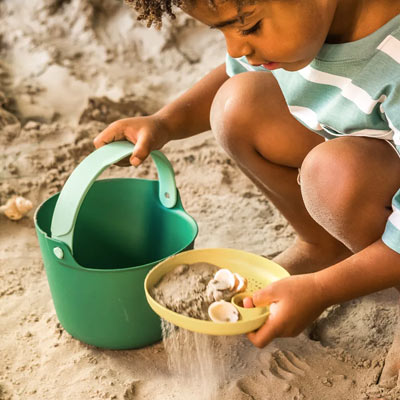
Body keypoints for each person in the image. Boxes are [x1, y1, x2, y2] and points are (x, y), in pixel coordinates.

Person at [94, 0, 400, 387]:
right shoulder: (303, 27)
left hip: (368, 177)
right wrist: (165, 122)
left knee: (334, 175)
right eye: (221, 31)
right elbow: (231, 73)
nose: (237, 48)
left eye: (249, 27)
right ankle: (321, 244)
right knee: (236, 104)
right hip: (362, 146)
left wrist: (322, 291)